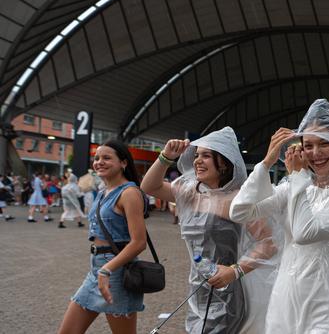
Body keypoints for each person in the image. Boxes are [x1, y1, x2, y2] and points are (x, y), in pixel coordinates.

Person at [230, 99, 329, 333]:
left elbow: (305, 233)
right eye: (308, 145)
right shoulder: (295, 188)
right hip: (283, 299)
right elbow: (240, 211)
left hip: (323, 305)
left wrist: (297, 177)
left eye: (324, 143)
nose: (315, 153)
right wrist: (266, 164)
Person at [141, 127, 279, 334]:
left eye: (206, 155)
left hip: (226, 292)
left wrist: (235, 271)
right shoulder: (191, 193)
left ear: (224, 162)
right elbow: (149, 187)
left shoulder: (238, 200)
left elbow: (269, 243)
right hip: (196, 288)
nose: (197, 160)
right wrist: (165, 156)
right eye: (197, 155)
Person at [57, 140, 147, 334]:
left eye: (107, 158)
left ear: (123, 163)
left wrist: (107, 270)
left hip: (118, 272)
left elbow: (139, 242)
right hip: (97, 269)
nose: (99, 162)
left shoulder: (130, 193)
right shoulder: (102, 191)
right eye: (97, 158)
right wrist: (102, 270)